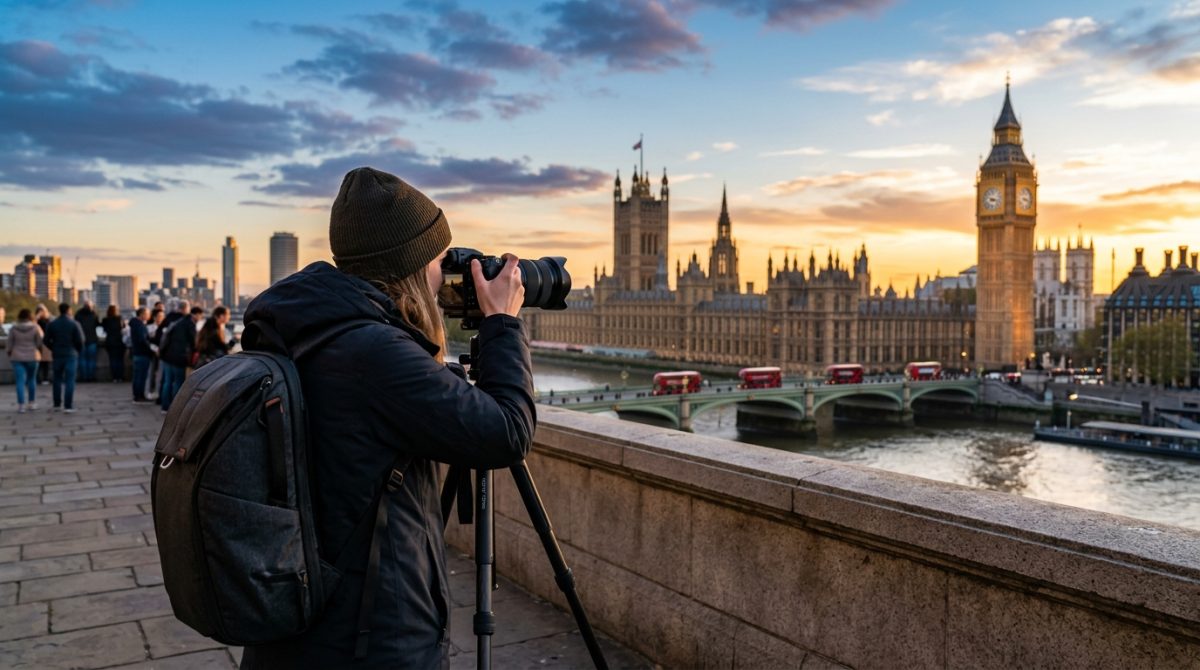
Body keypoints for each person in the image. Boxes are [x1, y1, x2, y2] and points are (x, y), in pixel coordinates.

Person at [239, 167, 534, 669]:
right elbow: (507, 431)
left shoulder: (311, 328)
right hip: (370, 639)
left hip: (303, 629)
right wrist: (503, 325)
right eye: (442, 260)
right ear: (413, 266)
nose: (449, 277)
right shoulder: (374, 353)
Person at [159, 306, 202, 412]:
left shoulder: (179, 322)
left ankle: (165, 407)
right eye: (200, 316)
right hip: (179, 357)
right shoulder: (190, 324)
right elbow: (194, 343)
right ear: (196, 314)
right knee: (178, 382)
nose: (200, 318)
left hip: (168, 355)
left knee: (167, 382)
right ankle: (175, 408)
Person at [42, 303, 84, 413]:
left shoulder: (52, 324)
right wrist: (77, 351)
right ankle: (68, 406)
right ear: (69, 310)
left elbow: (46, 340)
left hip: (57, 354)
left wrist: (53, 348)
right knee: (70, 381)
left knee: (57, 379)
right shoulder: (74, 324)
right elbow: (80, 341)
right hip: (71, 354)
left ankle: (57, 404)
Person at [6, 308, 42, 413]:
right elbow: (39, 343)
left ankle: (21, 405)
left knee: (20, 382)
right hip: (32, 356)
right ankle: (31, 403)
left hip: (17, 357)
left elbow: (9, 344)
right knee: (31, 380)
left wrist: (10, 354)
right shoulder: (35, 328)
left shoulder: (13, 328)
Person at [129, 307, 153, 403]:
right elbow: (142, 340)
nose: (149, 316)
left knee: (137, 376)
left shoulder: (135, 324)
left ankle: (136, 395)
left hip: (137, 353)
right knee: (141, 377)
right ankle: (139, 396)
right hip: (142, 354)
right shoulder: (140, 325)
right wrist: (150, 349)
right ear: (142, 314)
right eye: (147, 314)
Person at [74, 300, 100, 382]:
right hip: (92, 339)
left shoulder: (78, 315)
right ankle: (91, 377)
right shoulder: (93, 314)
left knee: (82, 359)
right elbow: (97, 324)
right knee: (91, 360)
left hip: (81, 340)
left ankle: (83, 377)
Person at [101, 304, 126, 382]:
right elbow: (124, 328)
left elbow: (104, 330)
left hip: (110, 342)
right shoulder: (120, 318)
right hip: (119, 342)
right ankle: (120, 377)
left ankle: (114, 377)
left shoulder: (105, 319)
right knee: (120, 360)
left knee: (112, 360)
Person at [35, 304, 52, 384]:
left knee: (46, 363)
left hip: (46, 343)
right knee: (39, 363)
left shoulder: (48, 320)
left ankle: (46, 378)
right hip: (37, 343)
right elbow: (32, 325)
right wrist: (37, 317)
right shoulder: (36, 320)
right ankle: (38, 379)